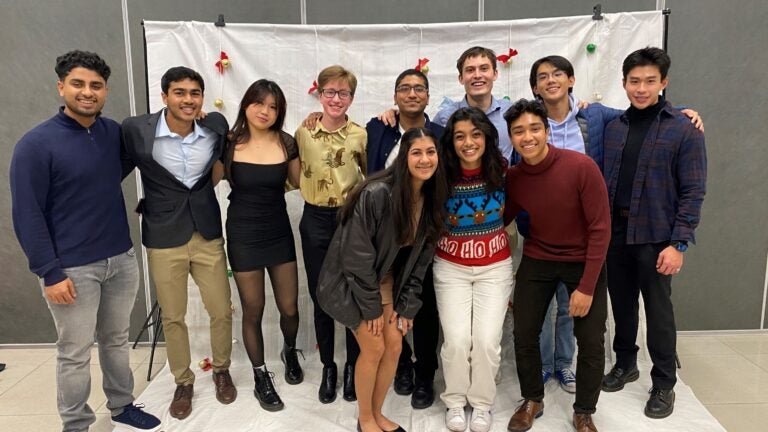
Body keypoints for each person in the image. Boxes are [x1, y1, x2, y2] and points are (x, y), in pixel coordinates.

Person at [10, 50, 161, 432]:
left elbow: (113, 173)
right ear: (61, 87)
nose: (87, 92)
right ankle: (76, 424)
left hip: (121, 259)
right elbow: (27, 214)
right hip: (72, 268)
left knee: (116, 340)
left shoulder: (112, 134)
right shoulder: (36, 144)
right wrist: (49, 272)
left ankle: (122, 406)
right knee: (74, 351)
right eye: (78, 84)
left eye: (96, 85)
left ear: (105, 90)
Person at [122, 66, 236, 420]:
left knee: (221, 309)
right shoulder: (136, 130)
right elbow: (114, 170)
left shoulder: (215, 125)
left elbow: (220, 162)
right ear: (164, 96)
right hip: (163, 236)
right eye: (180, 92)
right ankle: (183, 381)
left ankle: (221, 370)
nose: (188, 100)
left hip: (206, 233)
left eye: (194, 93)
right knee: (173, 316)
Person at [317, 127, 448, 432]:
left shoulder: (432, 200)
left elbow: (420, 265)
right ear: (404, 157)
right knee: (374, 347)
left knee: (395, 346)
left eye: (431, 152)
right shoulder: (376, 193)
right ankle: (365, 420)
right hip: (350, 283)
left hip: (387, 281)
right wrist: (372, 308)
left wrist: (407, 307)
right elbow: (355, 258)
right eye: (416, 152)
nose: (425, 159)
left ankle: (376, 414)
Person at [601, 47, 707, 419]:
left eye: (650, 81)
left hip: (657, 237)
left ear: (664, 82)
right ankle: (625, 363)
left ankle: (663, 382)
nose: (641, 88)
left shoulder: (683, 128)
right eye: (634, 81)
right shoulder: (615, 127)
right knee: (622, 306)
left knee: (659, 313)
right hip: (616, 233)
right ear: (624, 83)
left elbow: (693, 190)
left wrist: (679, 243)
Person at [503, 99, 611, 432]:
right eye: (519, 131)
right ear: (511, 137)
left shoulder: (581, 167)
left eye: (535, 128)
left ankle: (584, 411)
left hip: (582, 261)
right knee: (524, 331)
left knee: (591, 339)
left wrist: (587, 287)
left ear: (547, 131)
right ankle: (532, 399)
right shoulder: (515, 177)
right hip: (538, 258)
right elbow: (500, 219)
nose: (528, 137)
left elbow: (600, 229)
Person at [365, 68, 444, 408]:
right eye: (405, 88)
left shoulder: (439, 134)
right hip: (383, 238)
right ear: (395, 96)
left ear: (428, 96)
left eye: (419, 88)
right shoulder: (377, 128)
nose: (412, 94)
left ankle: (425, 373)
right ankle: (402, 367)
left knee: (422, 305)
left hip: (423, 234)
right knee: (390, 305)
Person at [222, 79, 302, 411]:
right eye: (259, 103)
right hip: (243, 233)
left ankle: (289, 350)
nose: (265, 111)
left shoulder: (286, 141)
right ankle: (260, 375)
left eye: (273, 106)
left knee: (290, 308)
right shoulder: (228, 142)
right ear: (246, 105)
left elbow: (300, 182)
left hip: (278, 231)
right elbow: (206, 180)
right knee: (253, 310)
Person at [437, 107, 513, 432]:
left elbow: (514, 209)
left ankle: (481, 404)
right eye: (460, 136)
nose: (468, 142)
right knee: (456, 340)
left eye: (475, 134)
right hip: (450, 267)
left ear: (487, 137)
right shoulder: (440, 174)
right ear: (451, 142)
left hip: (494, 267)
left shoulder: (504, 170)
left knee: (486, 340)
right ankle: (455, 400)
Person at [294, 65, 367, 403]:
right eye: (330, 92)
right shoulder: (304, 131)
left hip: (349, 220)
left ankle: (353, 365)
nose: (336, 99)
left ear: (351, 97)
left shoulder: (360, 135)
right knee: (320, 294)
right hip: (315, 219)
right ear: (320, 95)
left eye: (343, 93)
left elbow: (370, 176)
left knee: (352, 293)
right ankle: (328, 366)